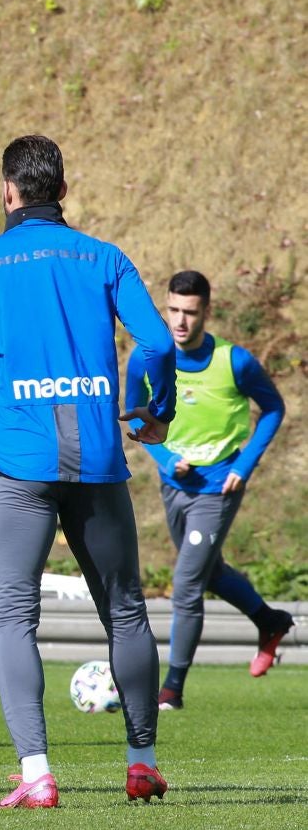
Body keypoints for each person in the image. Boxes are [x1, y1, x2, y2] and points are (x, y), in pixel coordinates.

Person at [0, 134, 177, 809]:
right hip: (98, 459)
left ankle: (38, 775)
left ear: (8, 192)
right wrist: (150, 409)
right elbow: (158, 340)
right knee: (125, 613)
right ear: (63, 189)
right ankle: (140, 762)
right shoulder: (104, 257)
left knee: (14, 621)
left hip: (19, 465)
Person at [125, 270, 292, 708]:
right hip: (174, 484)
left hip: (219, 484)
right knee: (209, 572)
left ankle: (172, 689)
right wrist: (163, 458)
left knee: (186, 582)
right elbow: (131, 415)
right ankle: (269, 620)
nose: (180, 321)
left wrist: (246, 462)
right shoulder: (145, 358)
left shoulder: (234, 361)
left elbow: (274, 408)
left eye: (190, 312)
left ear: (206, 312)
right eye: (173, 310)